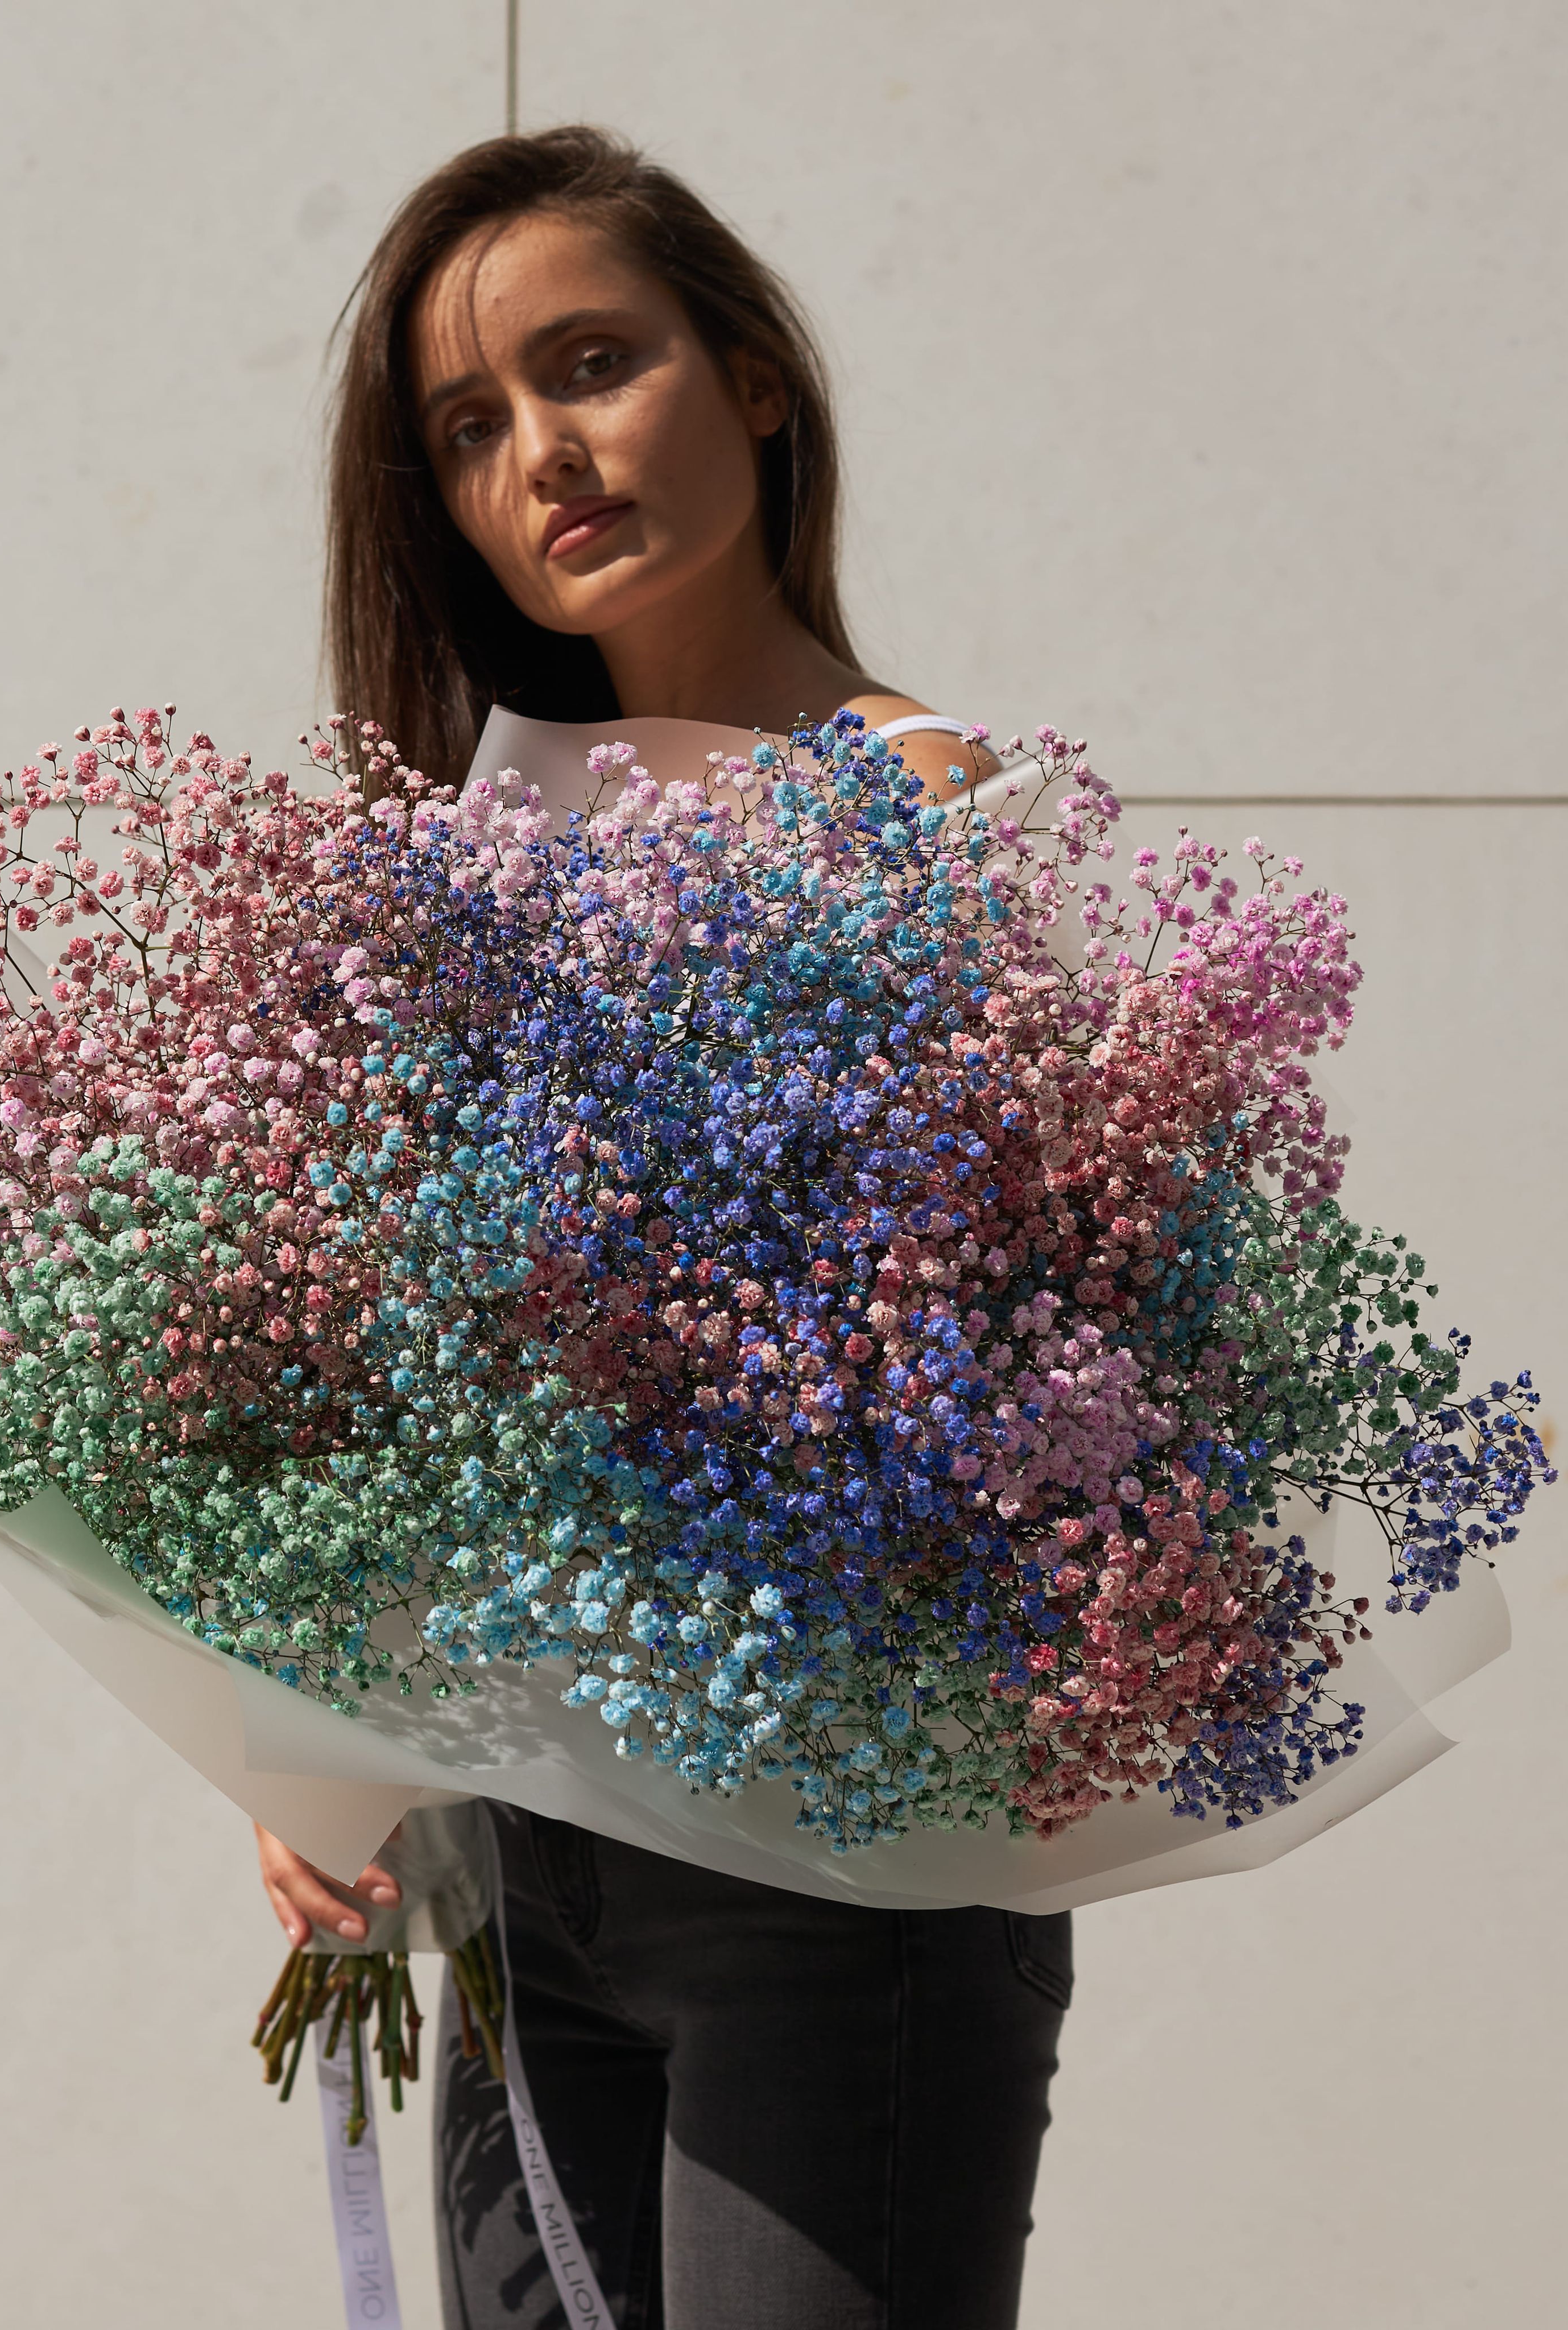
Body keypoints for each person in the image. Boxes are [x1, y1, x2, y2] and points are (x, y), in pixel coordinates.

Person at [254, 125, 1071, 2330]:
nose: (541, 451)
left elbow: (995, 1373)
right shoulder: (474, 868)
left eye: (593, 363)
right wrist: (314, 1734)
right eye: (467, 425)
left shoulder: (920, 809)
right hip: (529, 1870)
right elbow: (417, 1390)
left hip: (832, 1877)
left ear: (754, 378)